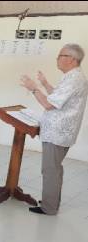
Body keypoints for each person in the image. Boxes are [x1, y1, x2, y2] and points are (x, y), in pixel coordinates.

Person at [19, 43, 88, 215]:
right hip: (59, 131)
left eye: (60, 55)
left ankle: (49, 207)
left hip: (58, 132)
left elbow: (48, 103)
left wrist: (34, 88)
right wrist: (44, 83)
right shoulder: (73, 76)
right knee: (53, 168)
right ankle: (52, 200)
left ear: (72, 59)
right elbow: (57, 95)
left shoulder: (74, 78)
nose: (57, 59)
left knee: (51, 170)